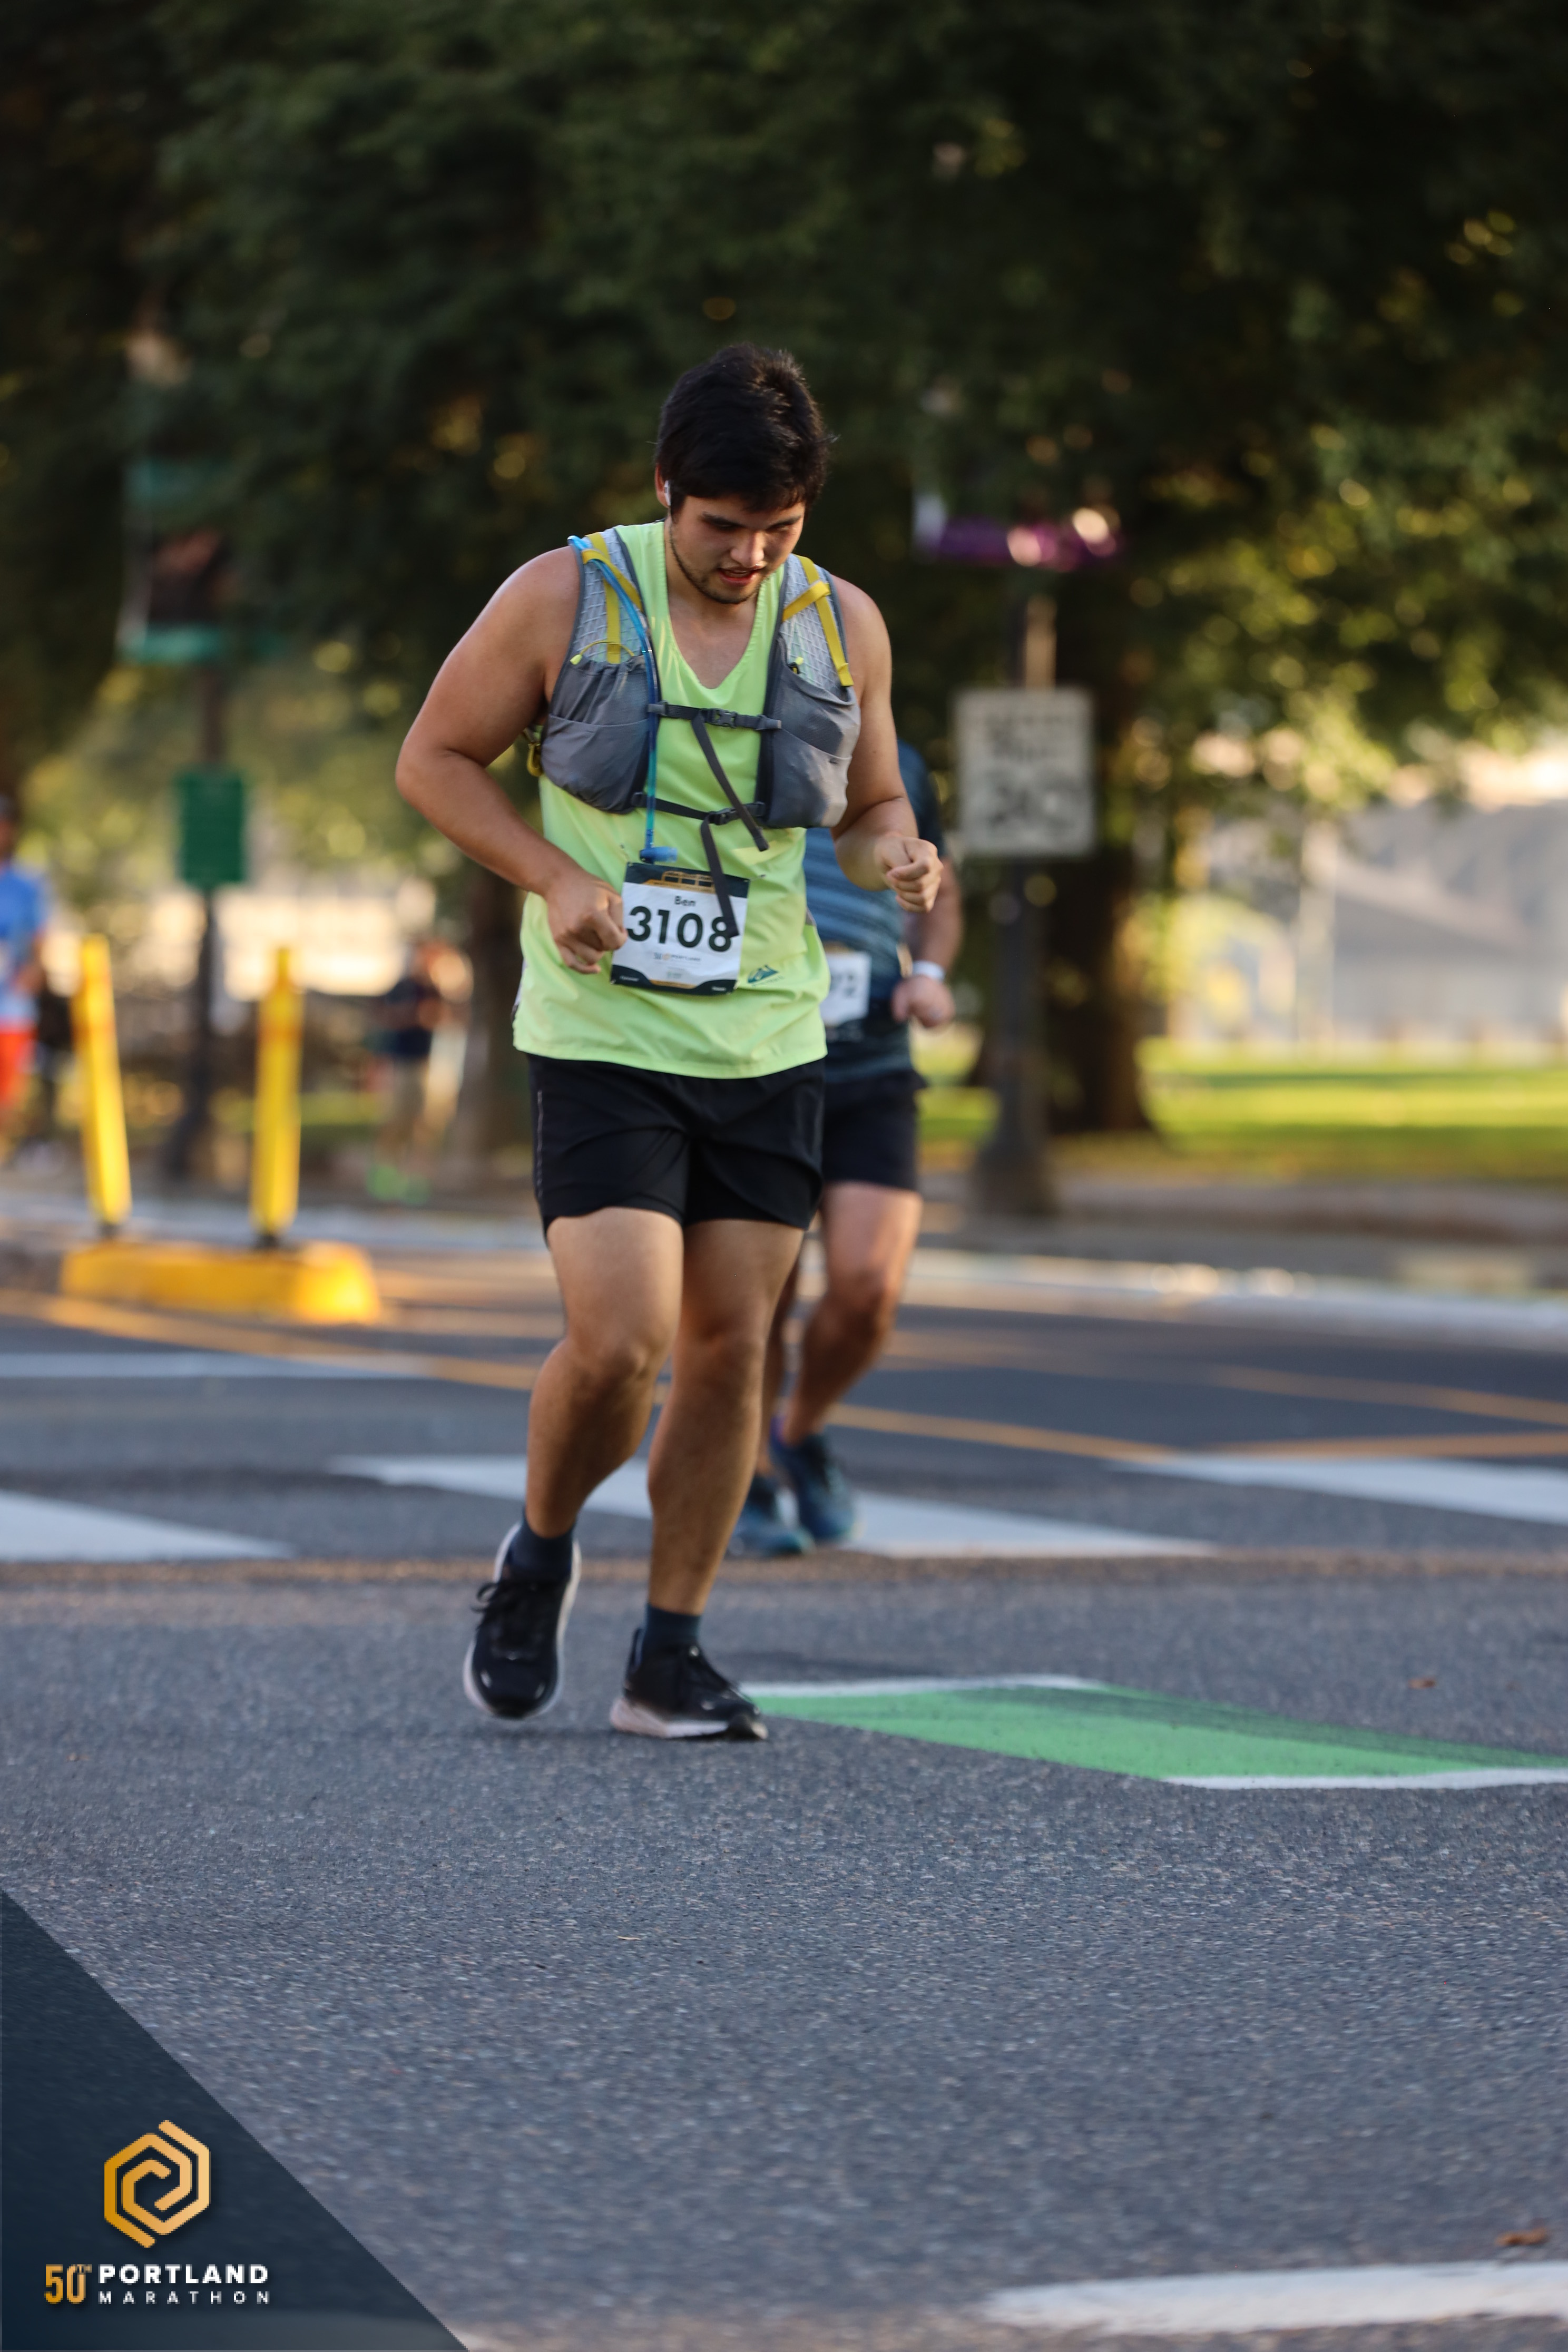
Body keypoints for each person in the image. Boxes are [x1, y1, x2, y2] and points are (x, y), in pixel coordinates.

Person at [396, 345, 939, 1741]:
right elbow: (432, 759)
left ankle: (669, 1657)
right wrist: (553, 876)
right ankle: (539, 1550)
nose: (750, 557)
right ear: (664, 490)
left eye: (780, 529)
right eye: (724, 527)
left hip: (767, 1037)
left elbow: (872, 804)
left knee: (731, 1348)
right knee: (622, 1339)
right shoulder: (565, 596)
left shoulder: (842, 624)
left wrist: (899, 853)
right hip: (604, 1026)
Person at [733, 740, 962, 1554]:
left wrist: (930, 974)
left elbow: (940, 890)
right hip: (754, 1060)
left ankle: (798, 1428)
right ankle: (746, 1475)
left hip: (871, 1062)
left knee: (868, 1289)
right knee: (759, 1299)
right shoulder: (725, 726)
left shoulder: (899, 761)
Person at [367, 940, 446, 1203]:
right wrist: (411, 1017)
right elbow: (387, 1017)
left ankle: (417, 1179)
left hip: (424, 1064)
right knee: (395, 1121)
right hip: (400, 1064)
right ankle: (386, 1175)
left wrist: (412, 1017)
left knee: (423, 1125)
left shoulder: (431, 989)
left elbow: (436, 1017)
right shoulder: (400, 988)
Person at [0, 795, 48, 1159]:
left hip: (11, 1005)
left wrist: (32, 971)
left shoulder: (26, 885)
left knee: (8, 1088)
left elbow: (39, 945)